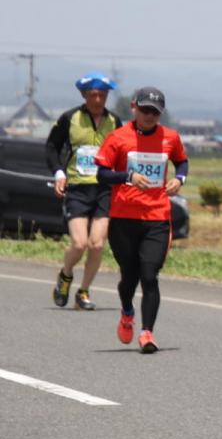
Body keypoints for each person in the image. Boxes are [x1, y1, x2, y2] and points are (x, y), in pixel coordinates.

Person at [94, 87, 188, 354]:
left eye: (155, 112)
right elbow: (101, 173)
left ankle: (147, 333)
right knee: (129, 276)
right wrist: (127, 177)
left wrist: (179, 179)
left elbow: (182, 162)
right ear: (134, 107)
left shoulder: (170, 138)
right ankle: (126, 312)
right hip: (124, 217)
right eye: (145, 110)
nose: (149, 116)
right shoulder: (118, 138)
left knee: (149, 274)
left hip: (157, 216)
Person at [45, 72, 122, 310]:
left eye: (102, 95)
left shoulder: (115, 121)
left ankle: (84, 292)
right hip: (77, 187)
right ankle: (65, 276)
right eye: (93, 95)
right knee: (79, 244)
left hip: (104, 188)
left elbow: (123, 151)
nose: (98, 100)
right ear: (83, 95)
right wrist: (59, 173)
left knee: (97, 244)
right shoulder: (70, 118)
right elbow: (51, 147)